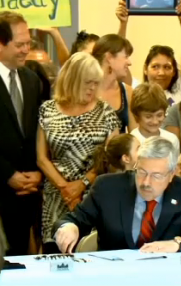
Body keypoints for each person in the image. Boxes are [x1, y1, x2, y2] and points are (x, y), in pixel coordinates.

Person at [52, 136, 181, 253]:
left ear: (172, 174)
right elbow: (73, 219)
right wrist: (68, 227)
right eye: (141, 172)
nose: (146, 182)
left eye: (157, 175)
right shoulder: (108, 187)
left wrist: (178, 244)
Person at [37, 52, 120, 254]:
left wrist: (82, 184)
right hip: (56, 197)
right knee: (55, 257)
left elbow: (110, 157)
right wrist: (65, 187)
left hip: (92, 196)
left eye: (95, 83)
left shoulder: (106, 112)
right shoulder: (48, 109)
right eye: (87, 83)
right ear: (72, 80)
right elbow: (41, 158)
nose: (92, 88)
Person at [0, 11, 43, 256]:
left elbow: (37, 130)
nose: (26, 49)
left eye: (29, 43)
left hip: (26, 194)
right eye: (20, 44)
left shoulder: (31, 79)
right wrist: (8, 175)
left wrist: (36, 173)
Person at [116, 0, 181, 105]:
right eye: (155, 67)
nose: (161, 73)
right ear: (146, 69)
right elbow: (118, 60)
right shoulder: (136, 90)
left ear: (174, 71)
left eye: (167, 67)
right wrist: (123, 23)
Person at [92, 34, 137, 133]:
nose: (129, 62)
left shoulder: (128, 92)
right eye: (126, 56)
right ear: (109, 58)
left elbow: (134, 135)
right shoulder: (86, 90)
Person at [130, 83, 180, 153]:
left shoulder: (172, 140)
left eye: (159, 115)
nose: (155, 121)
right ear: (137, 115)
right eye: (148, 117)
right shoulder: (130, 142)